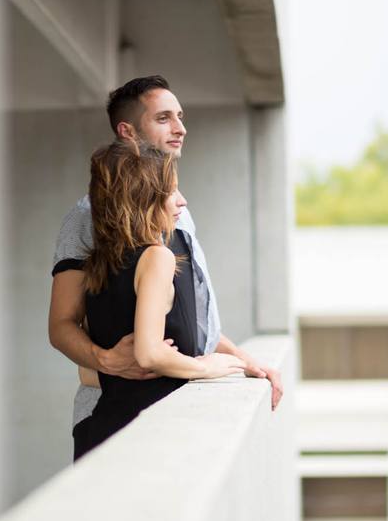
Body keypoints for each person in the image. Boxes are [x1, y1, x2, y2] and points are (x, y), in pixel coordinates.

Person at [47, 76, 283, 455]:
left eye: (180, 116)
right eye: (164, 118)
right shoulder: (86, 218)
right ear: (127, 131)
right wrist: (106, 360)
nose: (181, 128)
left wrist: (244, 361)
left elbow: (189, 320)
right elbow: (61, 324)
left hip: (178, 403)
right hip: (117, 412)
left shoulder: (175, 214)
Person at [71, 142, 245, 459]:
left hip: (104, 432)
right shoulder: (156, 257)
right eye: (171, 192)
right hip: (145, 435)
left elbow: (87, 373)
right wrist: (204, 367)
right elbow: (149, 353)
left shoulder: (99, 261)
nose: (182, 201)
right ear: (145, 200)